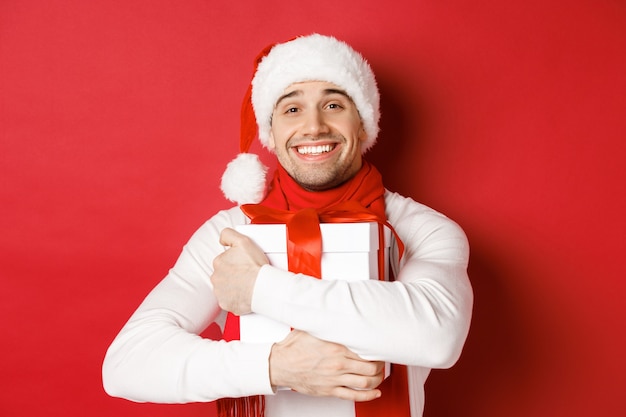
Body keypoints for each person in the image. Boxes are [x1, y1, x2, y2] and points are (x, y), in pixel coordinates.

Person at [102, 34, 473, 417]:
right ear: (271, 133)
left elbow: (437, 336)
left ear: (363, 123)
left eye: (333, 104)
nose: (313, 127)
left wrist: (259, 287)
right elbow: (127, 364)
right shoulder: (228, 234)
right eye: (292, 109)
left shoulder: (423, 230)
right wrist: (275, 367)